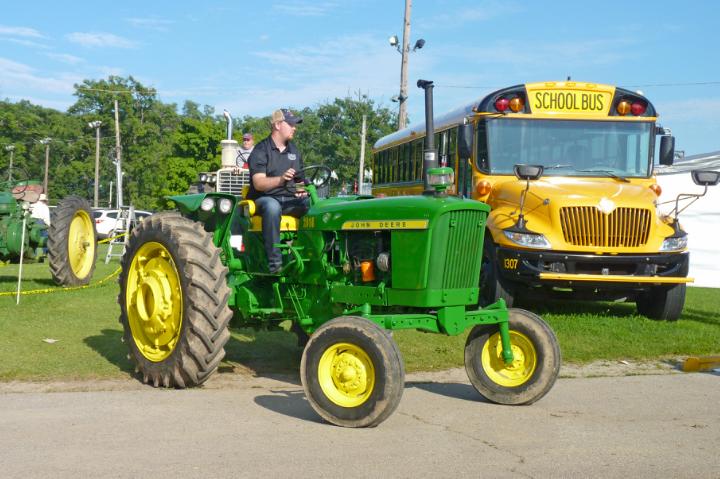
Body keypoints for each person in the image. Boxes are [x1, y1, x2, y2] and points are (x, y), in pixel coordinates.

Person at [247, 109, 309, 273]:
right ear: (277, 125)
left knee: (312, 206)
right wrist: (281, 180)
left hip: (288, 201)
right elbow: (259, 183)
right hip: (263, 200)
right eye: (290, 124)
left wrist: (302, 191)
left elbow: (300, 180)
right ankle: (275, 265)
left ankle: (309, 258)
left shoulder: (294, 151)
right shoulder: (261, 150)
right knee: (272, 207)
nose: (294, 127)